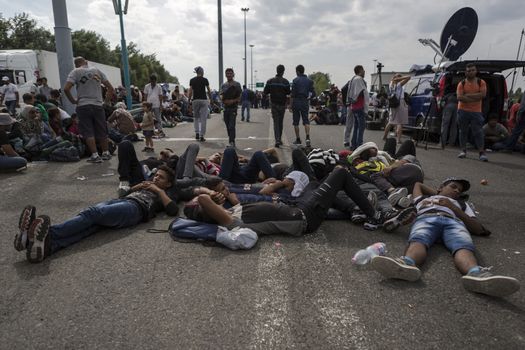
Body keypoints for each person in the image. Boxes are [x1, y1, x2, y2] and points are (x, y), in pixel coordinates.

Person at [371, 178, 520, 297]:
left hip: (453, 222)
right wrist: (438, 193)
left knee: (463, 246)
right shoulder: (422, 199)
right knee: (419, 238)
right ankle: (406, 264)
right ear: (441, 187)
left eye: (459, 190)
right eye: (453, 186)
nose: (457, 191)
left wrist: (452, 206)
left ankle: (477, 274)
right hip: (427, 218)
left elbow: (477, 228)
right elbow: (418, 184)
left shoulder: (462, 204)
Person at [13, 166, 188, 263]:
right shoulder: (147, 184)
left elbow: (172, 210)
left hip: (136, 209)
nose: (156, 178)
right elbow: (123, 195)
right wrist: (136, 188)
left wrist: (158, 190)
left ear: (168, 183)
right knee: (92, 226)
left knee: (93, 213)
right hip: (123, 202)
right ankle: (44, 246)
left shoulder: (169, 192)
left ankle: (48, 233)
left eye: (161, 178)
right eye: (156, 175)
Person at [63, 56, 115, 163]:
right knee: (101, 129)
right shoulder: (97, 71)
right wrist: (105, 102)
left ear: (76, 64)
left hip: (83, 105)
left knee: (88, 131)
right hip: (97, 105)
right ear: (86, 62)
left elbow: (66, 88)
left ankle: (95, 155)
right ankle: (106, 153)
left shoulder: (75, 72)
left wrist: (73, 101)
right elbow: (111, 88)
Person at [456, 63, 488, 161]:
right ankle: (463, 151)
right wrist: (476, 96)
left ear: (476, 71)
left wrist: (468, 95)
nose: (471, 72)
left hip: (476, 111)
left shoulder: (481, 82)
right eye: (469, 70)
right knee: (463, 131)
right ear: (466, 72)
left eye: (473, 70)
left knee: (478, 132)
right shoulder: (461, 83)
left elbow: (483, 95)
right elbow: (460, 97)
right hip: (462, 110)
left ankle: (481, 153)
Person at [264, 64, 291, 147]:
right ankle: (279, 139)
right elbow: (288, 92)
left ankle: (277, 140)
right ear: (283, 71)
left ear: (276, 70)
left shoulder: (270, 81)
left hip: (274, 104)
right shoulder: (286, 82)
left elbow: (265, 91)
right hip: (282, 104)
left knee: (276, 122)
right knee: (280, 122)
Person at [290, 64, 315, 146]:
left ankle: (298, 139)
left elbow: (292, 94)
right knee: (306, 120)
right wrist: (308, 98)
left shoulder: (295, 80)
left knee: (296, 122)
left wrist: (290, 105)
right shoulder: (309, 81)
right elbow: (313, 93)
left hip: (296, 101)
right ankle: (307, 137)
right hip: (305, 101)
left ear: (297, 71)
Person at [345, 65, 369, 149]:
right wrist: (366, 109)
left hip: (354, 107)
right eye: (363, 70)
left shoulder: (353, 79)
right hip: (359, 106)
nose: (364, 72)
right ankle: (359, 145)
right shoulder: (359, 79)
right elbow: (362, 93)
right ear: (360, 70)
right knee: (361, 127)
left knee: (356, 126)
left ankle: (353, 145)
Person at [383, 74, 410, 144]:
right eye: (399, 77)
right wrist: (400, 78)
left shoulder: (390, 84)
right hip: (399, 102)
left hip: (392, 103)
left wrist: (395, 79)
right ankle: (398, 140)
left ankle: (385, 136)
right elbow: (408, 77)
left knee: (391, 121)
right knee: (399, 122)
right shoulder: (399, 84)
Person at [220, 68, 242, 148]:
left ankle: (232, 142)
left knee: (231, 126)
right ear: (225, 75)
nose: (229, 75)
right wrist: (223, 99)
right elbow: (221, 95)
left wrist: (233, 101)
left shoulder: (237, 84)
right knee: (227, 125)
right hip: (225, 108)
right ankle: (231, 139)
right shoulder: (223, 85)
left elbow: (240, 96)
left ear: (233, 74)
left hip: (233, 108)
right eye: (227, 73)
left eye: (230, 73)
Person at [188, 66, 212, 141]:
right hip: (203, 100)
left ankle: (197, 133)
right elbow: (208, 90)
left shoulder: (192, 80)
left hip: (195, 100)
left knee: (196, 117)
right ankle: (202, 135)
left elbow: (190, 91)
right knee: (203, 118)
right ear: (201, 72)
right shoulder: (205, 80)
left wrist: (189, 100)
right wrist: (211, 99)